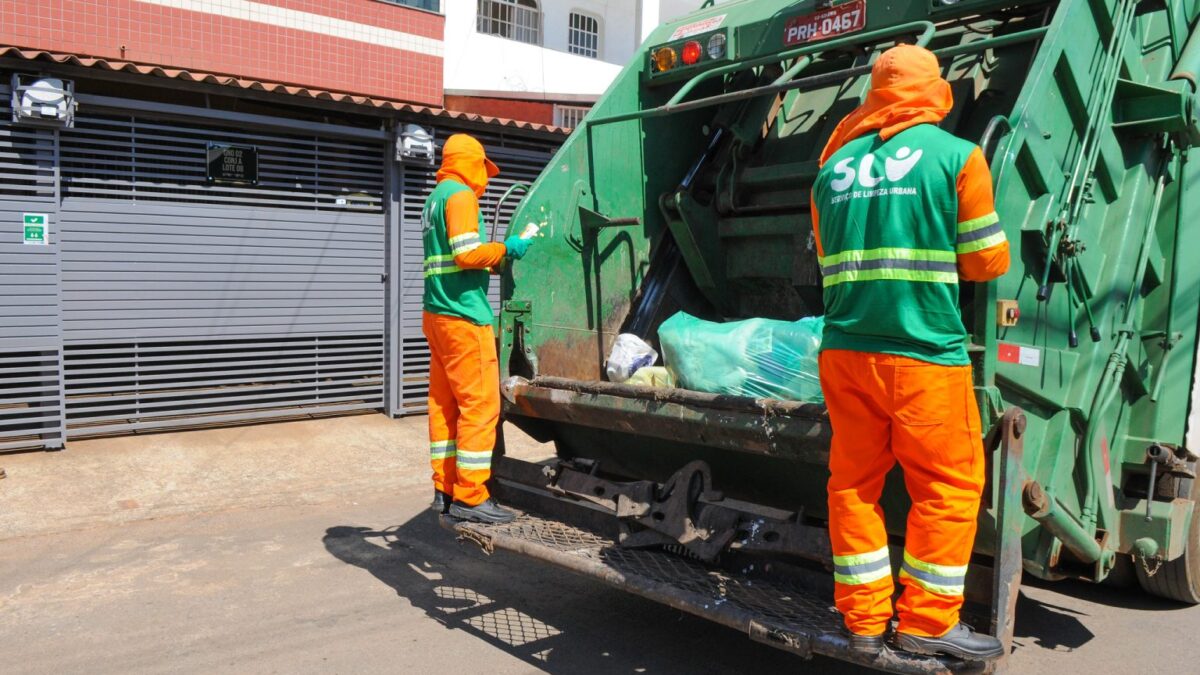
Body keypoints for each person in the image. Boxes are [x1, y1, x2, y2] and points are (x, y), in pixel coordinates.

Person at [810, 44, 1010, 660]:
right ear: (935, 91)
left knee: (852, 487)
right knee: (946, 488)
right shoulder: (958, 158)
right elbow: (983, 262)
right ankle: (926, 626)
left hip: (845, 353)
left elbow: (826, 259)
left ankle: (864, 622)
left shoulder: (832, 169)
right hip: (923, 354)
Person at [422, 133, 534, 524]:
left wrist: (492, 261)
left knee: (444, 404)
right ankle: (471, 495)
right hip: (464, 316)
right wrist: (509, 248)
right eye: (483, 169)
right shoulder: (461, 196)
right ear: (472, 163)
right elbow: (466, 253)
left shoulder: (435, 199)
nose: (485, 180)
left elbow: (451, 259)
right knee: (481, 405)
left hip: (437, 315)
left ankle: (445, 489)